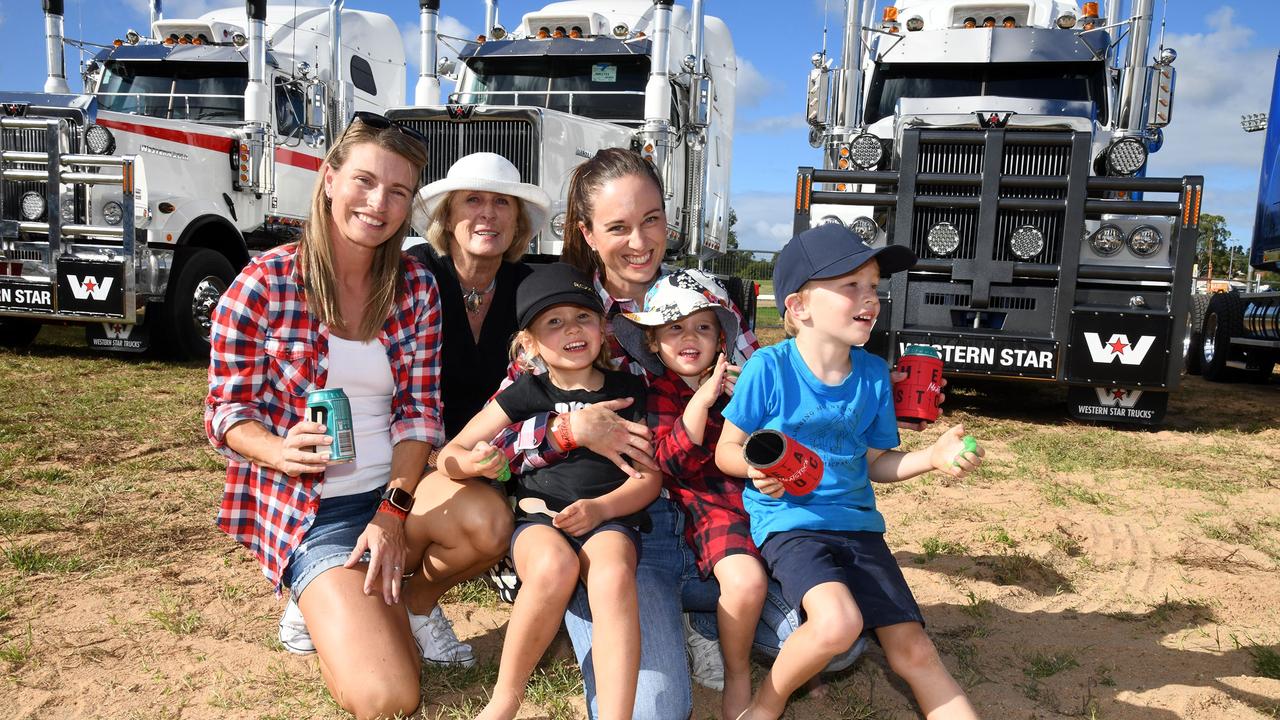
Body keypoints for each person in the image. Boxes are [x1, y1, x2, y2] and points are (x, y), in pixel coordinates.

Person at [491, 148, 865, 720]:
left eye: (652, 220)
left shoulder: (703, 298)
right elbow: (498, 434)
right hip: (624, 526)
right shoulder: (568, 309)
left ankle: (701, 616)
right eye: (618, 227)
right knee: (653, 711)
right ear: (587, 233)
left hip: (718, 508)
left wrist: (765, 453)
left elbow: (765, 402)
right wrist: (566, 429)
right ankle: (645, 612)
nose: (639, 241)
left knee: (836, 642)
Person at [205, 112, 443, 719]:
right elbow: (226, 410)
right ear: (330, 178)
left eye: (398, 191)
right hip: (315, 511)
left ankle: (404, 602)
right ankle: (321, 593)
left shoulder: (416, 285)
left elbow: (419, 412)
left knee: (487, 525)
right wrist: (276, 449)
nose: (378, 203)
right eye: (364, 181)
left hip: (396, 499)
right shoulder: (263, 282)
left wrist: (392, 513)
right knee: (390, 697)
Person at [714, 223, 984, 720]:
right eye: (850, 286)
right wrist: (755, 470)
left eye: (874, 287)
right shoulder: (768, 369)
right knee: (837, 623)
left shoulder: (873, 375)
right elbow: (726, 449)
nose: (870, 298)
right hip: (793, 526)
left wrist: (933, 458)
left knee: (915, 652)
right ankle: (766, 705)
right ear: (799, 307)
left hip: (860, 528)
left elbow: (876, 462)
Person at [437, 263, 661, 720]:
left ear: (603, 327)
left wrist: (602, 509)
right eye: (552, 323)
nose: (570, 330)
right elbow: (450, 452)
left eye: (582, 317)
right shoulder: (525, 392)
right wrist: (474, 461)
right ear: (530, 343)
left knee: (615, 572)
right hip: (539, 518)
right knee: (551, 566)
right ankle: (506, 697)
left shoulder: (630, 390)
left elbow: (649, 477)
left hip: (609, 517)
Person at [388, 152, 552, 662]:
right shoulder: (413, 277)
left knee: (487, 524)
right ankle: (353, 588)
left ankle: (414, 606)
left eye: (502, 202)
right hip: (408, 456)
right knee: (474, 520)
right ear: (447, 216)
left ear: (518, 221)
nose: (488, 214)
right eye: (473, 200)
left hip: (489, 463)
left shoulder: (530, 289)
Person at [614, 269, 766, 720]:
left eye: (703, 326)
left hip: (751, 504)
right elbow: (669, 464)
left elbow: (770, 443)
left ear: (721, 340)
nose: (689, 337)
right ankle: (738, 674)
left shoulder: (740, 387)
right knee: (747, 581)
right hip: (702, 511)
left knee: (794, 578)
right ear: (653, 344)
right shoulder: (657, 393)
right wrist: (699, 404)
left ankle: (706, 623)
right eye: (674, 328)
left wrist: (754, 408)